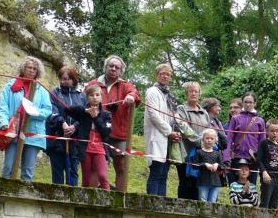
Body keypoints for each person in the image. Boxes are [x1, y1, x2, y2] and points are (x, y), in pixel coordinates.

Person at [87, 55, 140, 193]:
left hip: (119, 132)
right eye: (111, 66)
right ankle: (91, 195)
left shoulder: (125, 85)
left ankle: (120, 196)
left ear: (121, 70)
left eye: (117, 67)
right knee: (94, 165)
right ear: (106, 67)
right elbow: (84, 96)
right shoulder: (94, 83)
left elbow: (135, 93)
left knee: (121, 165)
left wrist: (131, 96)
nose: (113, 69)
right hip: (97, 130)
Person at [0, 56, 53, 182]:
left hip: (32, 133)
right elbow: (3, 107)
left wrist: (34, 112)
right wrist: (4, 123)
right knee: (8, 168)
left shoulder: (41, 90)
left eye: (35, 68)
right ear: (23, 68)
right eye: (29, 67)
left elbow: (48, 110)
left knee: (27, 172)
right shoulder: (10, 86)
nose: (32, 70)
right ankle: (5, 198)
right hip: (13, 132)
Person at [144, 63, 181, 197]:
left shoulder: (169, 95)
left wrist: (177, 131)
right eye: (162, 74)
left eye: (168, 74)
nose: (165, 76)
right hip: (157, 136)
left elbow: (175, 115)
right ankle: (152, 202)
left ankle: (162, 203)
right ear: (156, 75)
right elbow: (154, 115)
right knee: (156, 172)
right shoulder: (152, 92)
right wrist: (169, 131)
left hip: (169, 139)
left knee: (163, 174)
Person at [45, 65, 85, 186]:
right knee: (57, 173)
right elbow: (52, 111)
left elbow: (85, 115)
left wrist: (75, 127)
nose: (64, 81)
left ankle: (72, 201)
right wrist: (62, 123)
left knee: (72, 172)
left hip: (75, 141)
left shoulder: (81, 96)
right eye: (62, 78)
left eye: (67, 78)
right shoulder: (54, 93)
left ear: (73, 79)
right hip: (57, 139)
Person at [175, 81, 211, 200]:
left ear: (199, 94)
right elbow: (185, 129)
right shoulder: (181, 109)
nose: (193, 93)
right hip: (186, 153)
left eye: (196, 91)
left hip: (202, 154)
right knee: (185, 183)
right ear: (186, 93)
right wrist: (202, 142)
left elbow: (208, 130)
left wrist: (207, 143)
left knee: (198, 184)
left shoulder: (204, 112)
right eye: (191, 91)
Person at [75, 83, 112, 190]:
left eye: (97, 95)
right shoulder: (83, 113)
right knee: (86, 179)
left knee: (102, 176)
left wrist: (95, 117)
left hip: (100, 149)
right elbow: (68, 109)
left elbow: (106, 131)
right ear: (87, 98)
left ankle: (108, 200)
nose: (95, 97)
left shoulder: (106, 114)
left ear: (101, 97)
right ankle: (82, 202)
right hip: (85, 149)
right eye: (91, 95)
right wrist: (84, 110)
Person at [227, 93, 265, 180]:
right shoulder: (235, 118)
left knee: (251, 188)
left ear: (255, 103)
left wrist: (260, 159)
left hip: (252, 158)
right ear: (242, 103)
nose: (248, 104)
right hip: (236, 157)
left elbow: (262, 142)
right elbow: (229, 139)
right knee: (235, 186)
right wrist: (226, 158)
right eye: (246, 102)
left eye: (251, 102)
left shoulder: (260, 121)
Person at [257, 118, 278, 210]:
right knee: (265, 202)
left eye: (277, 131)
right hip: (268, 176)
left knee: (274, 204)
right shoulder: (263, 143)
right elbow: (259, 160)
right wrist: (263, 172)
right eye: (272, 131)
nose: (275, 133)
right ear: (267, 131)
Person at [194, 128, 223, 203]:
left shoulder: (217, 153)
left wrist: (217, 164)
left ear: (215, 140)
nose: (209, 140)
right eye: (207, 138)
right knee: (202, 201)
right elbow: (195, 165)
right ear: (203, 139)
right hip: (203, 181)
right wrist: (205, 164)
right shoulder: (199, 152)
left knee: (213, 202)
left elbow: (222, 166)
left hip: (215, 182)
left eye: (211, 138)